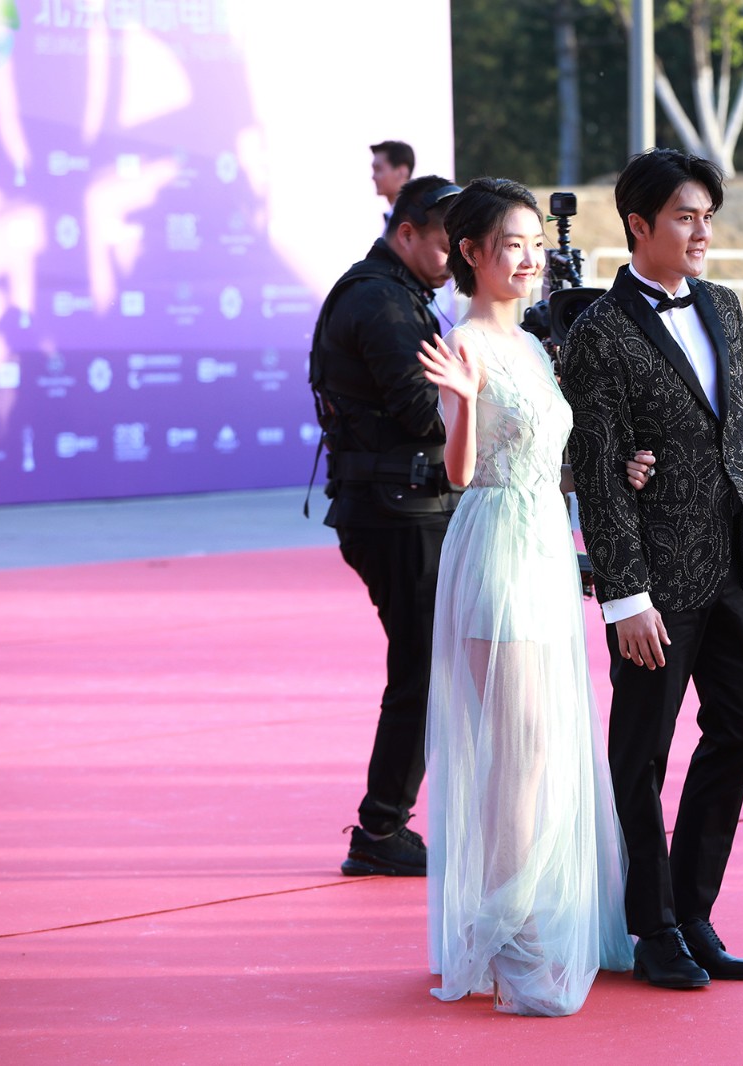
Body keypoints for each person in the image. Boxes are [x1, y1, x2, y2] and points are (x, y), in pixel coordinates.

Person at [561, 148, 743, 991]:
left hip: (740, 565)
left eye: (707, 217)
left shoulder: (723, 306)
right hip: (655, 581)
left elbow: (737, 432)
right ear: (639, 224)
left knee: (742, 734)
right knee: (643, 754)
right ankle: (650, 926)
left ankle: (694, 913)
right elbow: (601, 472)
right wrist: (624, 595)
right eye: (685, 216)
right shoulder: (599, 333)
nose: (702, 232)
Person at [415, 177, 632, 1016]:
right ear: (471, 253)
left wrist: (613, 470)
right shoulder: (464, 342)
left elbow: (548, 458)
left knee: (542, 746)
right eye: (514, 245)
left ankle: (513, 919)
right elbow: (461, 471)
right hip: (498, 544)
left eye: (537, 244)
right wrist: (465, 404)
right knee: (516, 751)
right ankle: (507, 937)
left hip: (544, 540)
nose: (532, 259)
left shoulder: (537, 346)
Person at [310, 175, 461, 877]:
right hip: (398, 513)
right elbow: (426, 416)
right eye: (448, 244)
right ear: (406, 234)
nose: (457, 259)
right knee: (422, 671)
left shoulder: (397, 294)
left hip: (402, 507)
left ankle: (386, 824)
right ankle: (380, 828)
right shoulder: (380, 301)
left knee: (428, 667)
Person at [370, 140, 414, 225]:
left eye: (378, 169)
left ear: (401, 172)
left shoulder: (415, 221)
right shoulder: (393, 218)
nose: (373, 177)